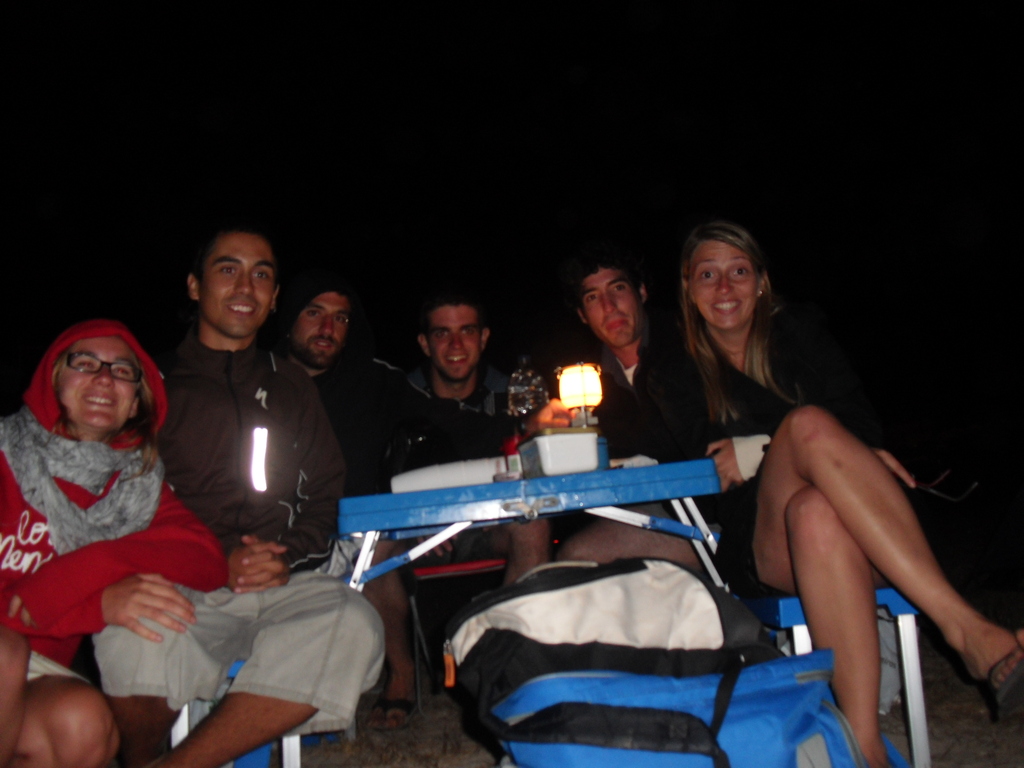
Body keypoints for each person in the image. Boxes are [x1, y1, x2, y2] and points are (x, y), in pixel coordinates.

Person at [650, 220, 1024, 768]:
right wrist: (786, 443)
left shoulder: (800, 331)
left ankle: (865, 749)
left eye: (739, 271)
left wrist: (757, 447)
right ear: (688, 288)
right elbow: (715, 461)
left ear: (761, 282)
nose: (724, 287)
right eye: (707, 275)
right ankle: (965, 629)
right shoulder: (673, 368)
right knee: (807, 426)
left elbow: (862, 423)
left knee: (817, 511)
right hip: (761, 538)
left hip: (852, 523)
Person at [94, 230, 384, 768]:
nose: (246, 286)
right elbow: (123, 498)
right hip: (181, 582)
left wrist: (284, 557)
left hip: (283, 583)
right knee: (129, 634)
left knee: (353, 621)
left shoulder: (292, 384)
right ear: (194, 286)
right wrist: (213, 557)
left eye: (262, 274)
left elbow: (324, 492)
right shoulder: (149, 384)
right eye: (228, 270)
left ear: (274, 299)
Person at [0, 319, 228, 768]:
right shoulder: (5, 453)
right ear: (52, 379)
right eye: (85, 363)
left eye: (123, 371)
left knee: (81, 724)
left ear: (135, 402)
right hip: (8, 654)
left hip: (33, 668)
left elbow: (206, 558)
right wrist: (93, 607)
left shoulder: (132, 488)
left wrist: (86, 570)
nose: (105, 378)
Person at [551, 242, 704, 568]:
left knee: (580, 559)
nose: (609, 306)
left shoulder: (694, 344)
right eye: (592, 298)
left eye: (618, 288)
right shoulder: (585, 384)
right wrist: (549, 435)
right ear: (582, 315)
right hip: (651, 515)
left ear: (642, 291)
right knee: (570, 559)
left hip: (716, 517)